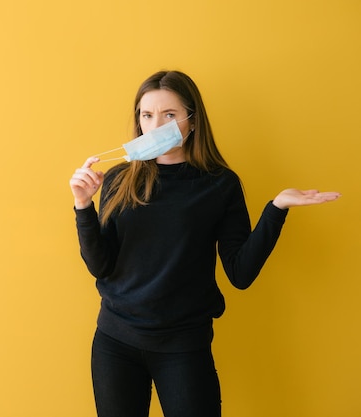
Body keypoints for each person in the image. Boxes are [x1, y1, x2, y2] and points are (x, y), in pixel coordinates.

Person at [69, 70, 340, 417]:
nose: (155, 126)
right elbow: (100, 265)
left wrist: (276, 209)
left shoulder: (220, 185)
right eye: (147, 115)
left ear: (192, 121)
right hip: (114, 343)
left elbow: (240, 273)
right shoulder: (119, 179)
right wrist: (83, 206)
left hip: (183, 346)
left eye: (169, 115)